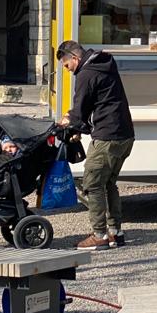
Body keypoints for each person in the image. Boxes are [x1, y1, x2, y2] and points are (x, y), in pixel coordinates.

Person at [56, 40, 135, 251]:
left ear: (75, 58)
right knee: (108, 183)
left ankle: (99, 235)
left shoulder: (86, 74)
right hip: (124, 135)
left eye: (67, 65)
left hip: (107, 137)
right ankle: (115, 232)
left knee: (92, 184)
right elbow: (99, 103)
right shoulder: (104, 64)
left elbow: (80, 109)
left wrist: (68, 121)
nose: (68, 70)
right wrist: (80, 127)